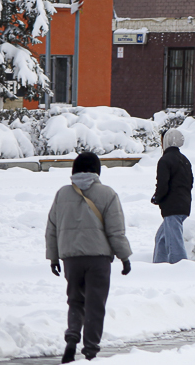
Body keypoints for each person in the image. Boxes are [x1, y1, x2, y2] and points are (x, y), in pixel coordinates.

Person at [45, 151, 132, 362]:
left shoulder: (62, 194)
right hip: (98, 260)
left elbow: (52, 229)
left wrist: (54, 258)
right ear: (97, 171)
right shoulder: (108, 194)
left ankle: (72, 337)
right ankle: (90, 352)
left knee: (75, 301)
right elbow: (115, 231)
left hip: (71, 259)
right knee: (95, 305)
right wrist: (124, 256)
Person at [149, 128, 193, 263]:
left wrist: (157, 198)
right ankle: (158, 265)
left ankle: (179, 268)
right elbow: (190, 182)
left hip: (171, 207)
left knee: (175, 244)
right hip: (184, 205)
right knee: (161, 238)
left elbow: (162, 184)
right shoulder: (185, 160)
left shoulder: (165, 160)